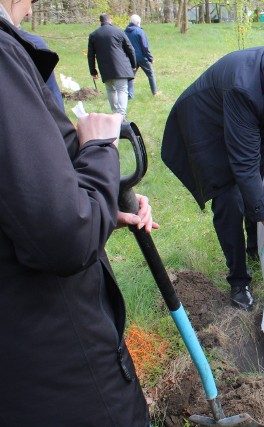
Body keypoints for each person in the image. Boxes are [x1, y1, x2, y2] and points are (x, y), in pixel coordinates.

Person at [0, 0, 159, 424]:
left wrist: (102, 206)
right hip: (52, 358)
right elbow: (65, 236)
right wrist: (101, 149)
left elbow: (24, 195)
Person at [161, 46, 264, 311]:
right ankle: (239, 280)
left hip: (243, 118)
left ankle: (254, 247)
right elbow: (243, 166)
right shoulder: (242, 89)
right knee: (229, 199)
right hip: (207, 127)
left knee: (257, 172)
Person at [88, 13, 136, 118]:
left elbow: (90, 55)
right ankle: (121, 116)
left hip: (105, 69)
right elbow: (130, 48)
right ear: (110, 20)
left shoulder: (93, 35)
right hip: (121, 68)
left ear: (100, 21)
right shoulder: (119, 31)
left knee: (111, 90)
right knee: (122, 90)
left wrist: (93, 71)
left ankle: (115, 114)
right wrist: (133, 64)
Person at [125, 14, 159, 98]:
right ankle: (155, 92)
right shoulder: (140, 31)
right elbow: (145, 47)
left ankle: (130, 95)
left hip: (131, 58)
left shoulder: (124, 32)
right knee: (150, 74)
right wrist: (150, 58)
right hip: (142, 57)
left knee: (130, 76)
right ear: (138, 22)